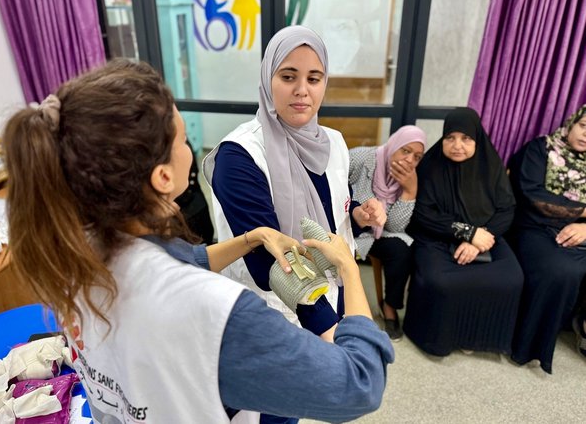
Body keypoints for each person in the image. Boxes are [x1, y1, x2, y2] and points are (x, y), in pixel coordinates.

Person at [2, 60, 394, 423]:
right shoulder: (217, 311)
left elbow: (182, 260)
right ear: (163, 178)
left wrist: (250, 237)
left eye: (315, 77)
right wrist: (347, 267)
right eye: (183, 138)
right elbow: (359, 385)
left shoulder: (70, 251)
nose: (302, 90)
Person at [203, 26, 387, 424]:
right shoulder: (239, 157)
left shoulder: (333, 142)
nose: (302, 90)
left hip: (324, 298)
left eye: (314, 78)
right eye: (288, 76)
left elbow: (330, 212)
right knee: (263, 412)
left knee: (292, 412)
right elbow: (267, 264)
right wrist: (332, 338)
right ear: (268, 79)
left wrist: (356, 215)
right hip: (268, 312)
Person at [403, 107, 523, 356]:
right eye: (450, 138)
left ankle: (477, 337)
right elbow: (423, 214)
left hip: (487, 236)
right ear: (443, 139)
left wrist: (480, 239)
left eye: (466, 138)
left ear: (477, 139)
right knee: (440, 280)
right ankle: (441, 340)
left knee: (511, 277)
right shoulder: (430, 166)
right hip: (437, 237)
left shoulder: (491, 166)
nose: (457, 145)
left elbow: (506, 210)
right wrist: (467, 232)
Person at [508, 104, 586, 373]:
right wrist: (583, 211)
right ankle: (531, 346)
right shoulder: (541, 149)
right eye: (583, 126)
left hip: (583, 230)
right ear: (571, 123)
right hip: (537, 227)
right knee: (562, 269)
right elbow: (531, 194)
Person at [349, 126, 426, 341]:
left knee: (401, 249)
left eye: (417, 157)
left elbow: (395, 227)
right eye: (405, 151)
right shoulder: (361, 158)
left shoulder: (408, 178)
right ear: (394, 144)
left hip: (373, 234)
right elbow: (330, 186)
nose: (410, 160)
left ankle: (389, 307)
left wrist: (409, 191)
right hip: (345, 225)